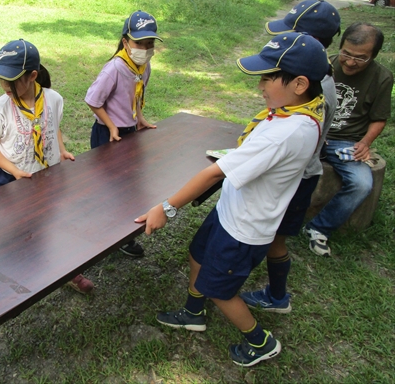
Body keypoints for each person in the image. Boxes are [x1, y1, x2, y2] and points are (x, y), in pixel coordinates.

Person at [136, 32, 330, 367]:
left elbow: (213, 174)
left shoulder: (287, 131)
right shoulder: (298, 111)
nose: (261, 85)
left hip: (244, 229)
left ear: (299, 84)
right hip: (232, 210)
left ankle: (260, 341)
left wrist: (166, 208)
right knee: (198, 253)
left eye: (269, 77)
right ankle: (194, 312)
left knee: (221, 291)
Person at [240, 0, 340, 312]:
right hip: (293, 169)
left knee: (275, 239)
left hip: (297, 175)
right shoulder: (318, 79)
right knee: (273, 237)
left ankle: (277, 296)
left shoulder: (318, 89)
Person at [0, 39, 92, 294]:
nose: (4, 86)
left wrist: (62, 150)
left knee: (53, 222)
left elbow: (54, 126)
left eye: (11, 79)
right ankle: (21, 270)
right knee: (17, 230)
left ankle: (67, 270)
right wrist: (15, 171)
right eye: (1, 79)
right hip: (12, 179)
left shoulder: (53, 99)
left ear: (32, 75)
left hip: (47, 175)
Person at [304, 23, 393, 256]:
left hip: (346, 142)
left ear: (373, 56)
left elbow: (379, 119)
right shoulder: (324, 66)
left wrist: (365, 143)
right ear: (341, 46)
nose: (350, 62)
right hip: (313, 132)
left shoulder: (382, 78)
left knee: (362, 183)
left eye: (360, 58)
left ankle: (318, 228)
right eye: (346, 54)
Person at [85, 10, 162, 258]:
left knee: (129, 184)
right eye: (139, 43)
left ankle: (121, 236)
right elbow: (93, 100)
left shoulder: (143, 66)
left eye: (150, 44)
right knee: (106, 187)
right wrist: (111, 125)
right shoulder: (115, 68)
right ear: (126, 42)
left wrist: (139, 119)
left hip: (129, 133)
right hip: (107, 135)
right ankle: (101, 235)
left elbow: (136, 96)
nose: (145, 48)